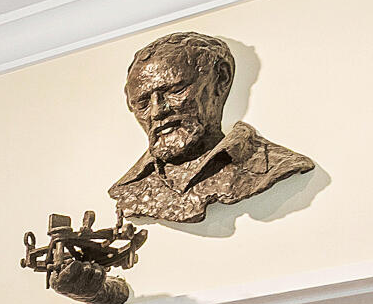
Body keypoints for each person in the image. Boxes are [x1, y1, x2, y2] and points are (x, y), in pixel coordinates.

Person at [107, 31, 315, 225]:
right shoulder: (128, 189)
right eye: (142, 103)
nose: (156, 112)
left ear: (221, 78)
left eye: (175, 90)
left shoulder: (274, 165)